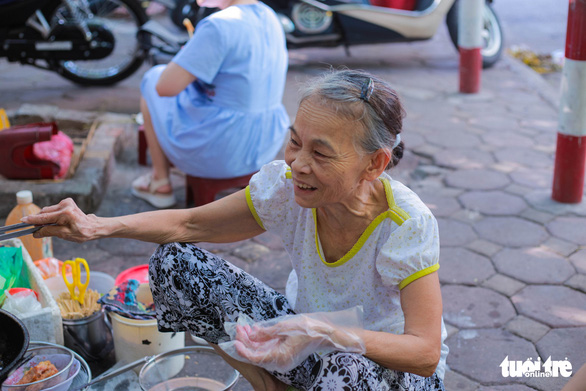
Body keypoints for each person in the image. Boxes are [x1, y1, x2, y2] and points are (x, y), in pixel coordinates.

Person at [25, 69, 447, 390]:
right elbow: (188, 222)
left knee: (342, 362)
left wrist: (327, 333)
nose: (299, 164)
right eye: (296, 142)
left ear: (374, 164)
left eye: (321, 153)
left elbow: (425, 353)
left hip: (388, 372)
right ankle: (270, 387)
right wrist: (95, 225)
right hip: (301, 337)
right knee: (177, 263)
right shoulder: (287, 188)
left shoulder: (405, 226)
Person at [133, 0, 289, 208]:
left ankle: (159, 181)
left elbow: (165, 87)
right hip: (266, 146)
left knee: (152, 79)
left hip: (223, 149)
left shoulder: (219, 24)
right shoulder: (269, 15)